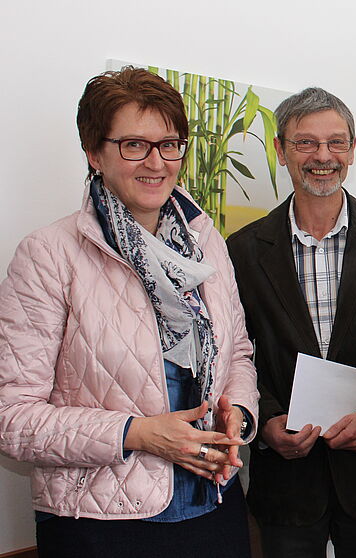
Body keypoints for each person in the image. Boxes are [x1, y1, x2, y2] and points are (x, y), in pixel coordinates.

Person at [0, 67, 258, 557]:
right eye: (134, 145)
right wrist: (137, 433)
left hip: (214, 508)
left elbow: (238, 354)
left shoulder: (206, 244)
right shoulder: (49, 254)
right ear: (94, 153)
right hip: (100, 526)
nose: (156, 162)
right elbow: (11, 417)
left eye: (169, 144)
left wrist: (239, 413)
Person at [226, 87, 356, 558]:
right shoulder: (242, 251)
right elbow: (234, 353)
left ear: (352, 150)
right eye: (306, 143)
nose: (323, 156)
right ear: (281, 150)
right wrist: (265, 421)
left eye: (336, 142)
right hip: (286, 483)